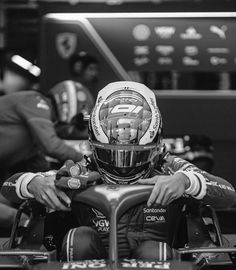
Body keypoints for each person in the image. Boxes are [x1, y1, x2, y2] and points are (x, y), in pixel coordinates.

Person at [1, 81, 236, 260]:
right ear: (93, 147)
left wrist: (186, 181)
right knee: (78, 240)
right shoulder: (80, 171)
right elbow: (9, 187)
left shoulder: (170, 167)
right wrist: (34, 183)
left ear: (155, 147)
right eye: (111, 152)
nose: (123, 165)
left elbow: (228, 194)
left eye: (135, 153)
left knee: (154, 252)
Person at [0, 79, 93, 233]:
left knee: (16, 208)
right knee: (22, 219)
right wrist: (89, 159)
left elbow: (42, 169)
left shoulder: (33, 141)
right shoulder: (34, 101)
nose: (71, 130)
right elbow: (52, 146)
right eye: (77, 122)